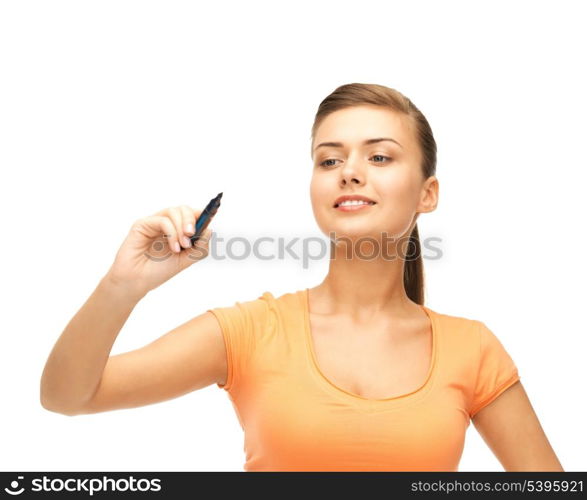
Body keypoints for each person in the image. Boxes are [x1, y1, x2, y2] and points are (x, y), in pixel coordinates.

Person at [40, 83, 563, 472]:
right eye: (328, 159)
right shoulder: (250, 331)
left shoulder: (471, 348)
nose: (348, 171)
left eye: (379, 156)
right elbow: (67, 396)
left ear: (428, 194)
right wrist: (123, 285)